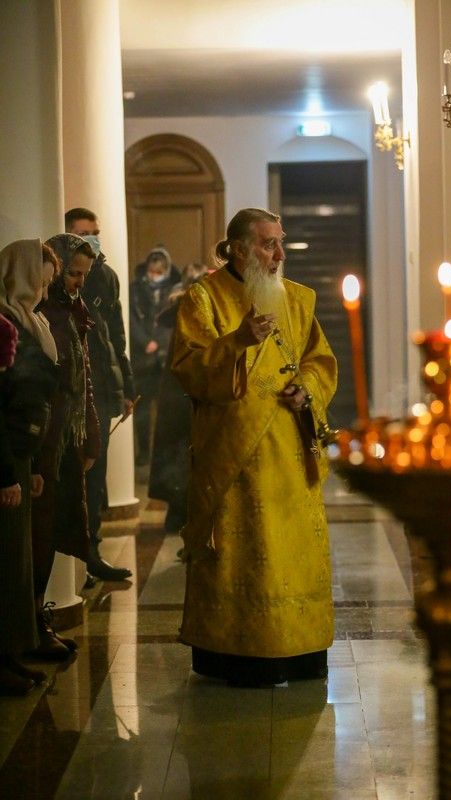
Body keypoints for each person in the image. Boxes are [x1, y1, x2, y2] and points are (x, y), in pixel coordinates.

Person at [172, 208, 337, 686]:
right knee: (244, 553)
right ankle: (239, 654)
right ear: (240, 249)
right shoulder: (203, 299)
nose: (279, 254)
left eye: (280, 242)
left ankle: (302, 650)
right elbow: (189, 369)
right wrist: (238, 341)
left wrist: (307, 390)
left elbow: (319, 361)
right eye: (268, 244)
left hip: (290, 453)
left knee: (293, 553)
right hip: (234, 455)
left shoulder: (298, 299)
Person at [31, 234, 100, 660]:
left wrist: (90, 429)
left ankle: (38, 619)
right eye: (73, 273)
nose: (78, 282)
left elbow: (83, 374)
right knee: (39, 531)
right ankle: (33, 623)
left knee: (54, 524)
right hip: (44, 438)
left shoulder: (74, 309)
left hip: (64, 435)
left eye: (83, 275)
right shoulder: (41, 312)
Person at [0, 240, 59, 693]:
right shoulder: (6, 323)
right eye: (42, 280)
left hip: (22, 452)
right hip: (6, 453)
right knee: (6, 560)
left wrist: (34, 462)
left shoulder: (31, 320)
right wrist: (6, 471)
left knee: (18, 559)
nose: (45, 290)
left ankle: (14, 651)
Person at [65, 207, 134, 582]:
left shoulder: (105, 275)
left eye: (95, 231)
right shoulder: (63, 275)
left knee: (96, 479)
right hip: (74, 390)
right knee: (73, 480)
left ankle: (92, 553)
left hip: (103, 388)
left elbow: (115, 336)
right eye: (83, 232)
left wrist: (127, 386)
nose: (92, 238)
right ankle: (74, 562)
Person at [148, 263, 209, 532]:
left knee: (179, 454)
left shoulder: (183, 307)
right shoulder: (192, 310)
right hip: (187, 392)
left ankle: (178, 513)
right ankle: (181, 513)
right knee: (184, 455)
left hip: (178, 393)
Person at [130, 247, 178, 466]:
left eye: (158, 272)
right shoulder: (135, 290)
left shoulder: (174, 290)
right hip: (142, 360)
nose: (154, 276)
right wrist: (144, 341)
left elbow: (171, 320)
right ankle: (144, 453)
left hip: (165, 356)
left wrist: (158, 341)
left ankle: (164, 454)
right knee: (142, 409)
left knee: (167, 409)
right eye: (151, 271)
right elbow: (131, 319)